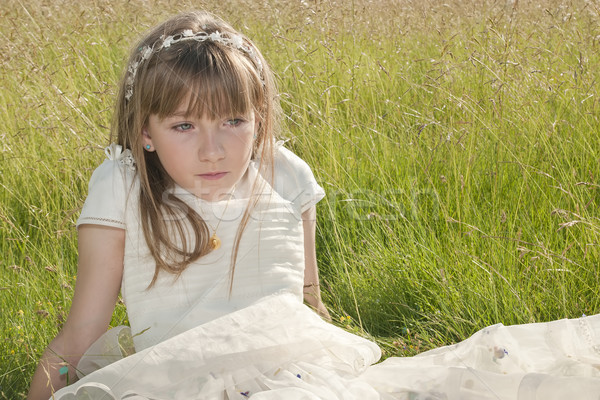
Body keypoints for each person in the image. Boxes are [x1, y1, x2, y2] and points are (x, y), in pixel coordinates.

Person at [27, 10, 600, 400]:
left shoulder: (284, 173)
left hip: (291, 376)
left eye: (234, 121)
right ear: (145, 132)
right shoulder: (123, 183)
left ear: (259, 118)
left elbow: (308, 302)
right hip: (175, 379)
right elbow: (83, 329)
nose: (213, 148)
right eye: (183, 125)